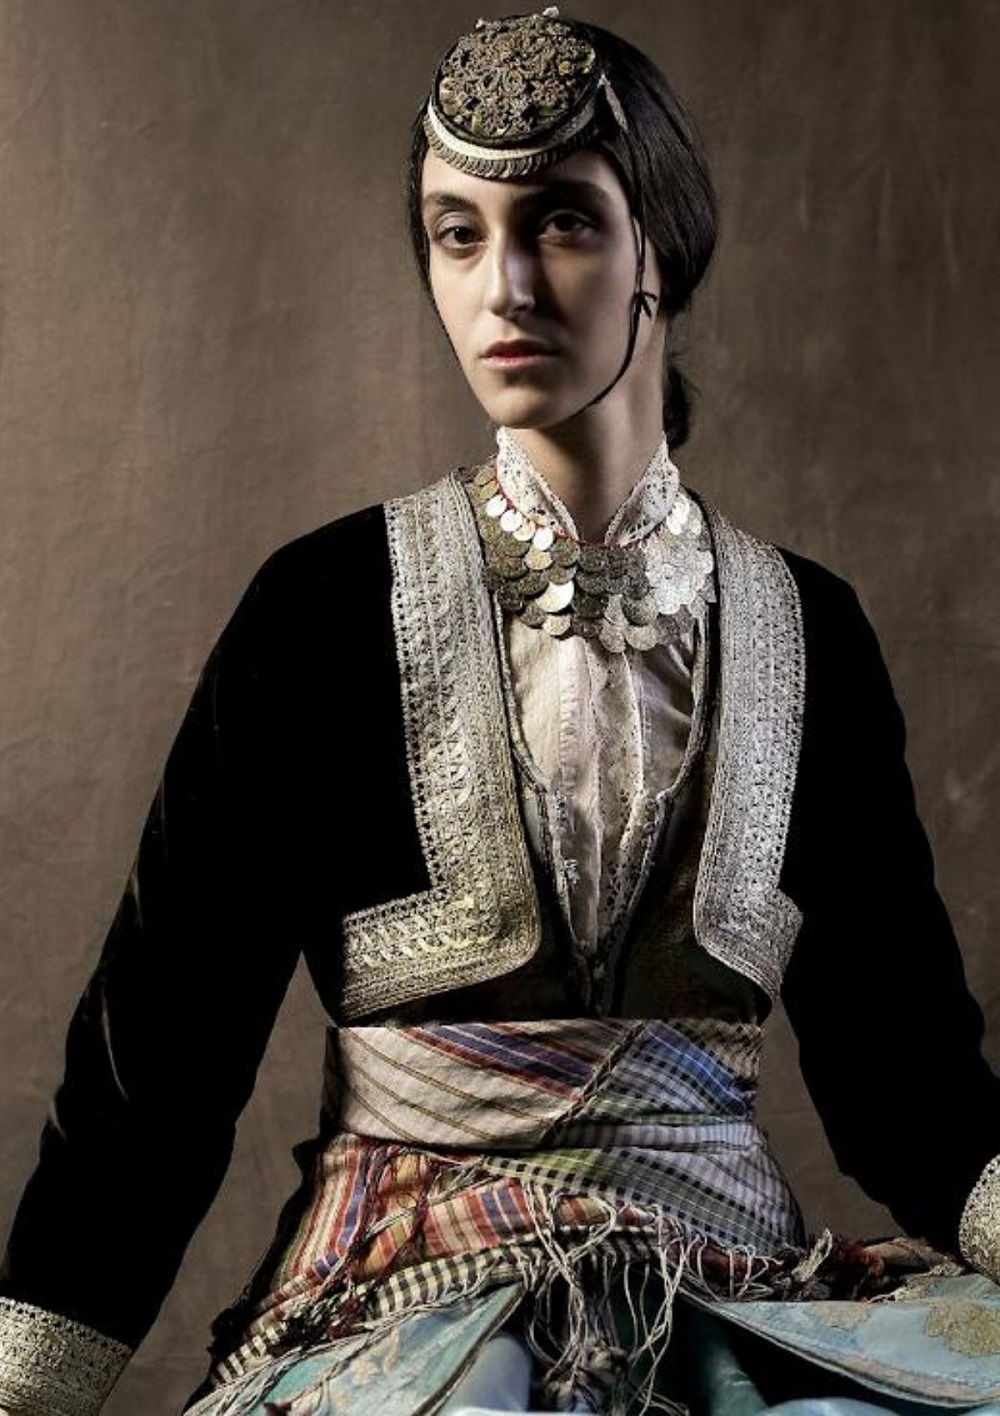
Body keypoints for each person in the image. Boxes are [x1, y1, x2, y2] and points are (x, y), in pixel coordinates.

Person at [2, 10, 1000, 1416]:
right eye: (457, 234)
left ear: (662, 250)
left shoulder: (803, 626)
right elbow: (155, 1071)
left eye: (564, 224)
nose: (506, 287)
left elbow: (910, 1082)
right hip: (405, 1285)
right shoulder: (319, 610)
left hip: (724, 1279)